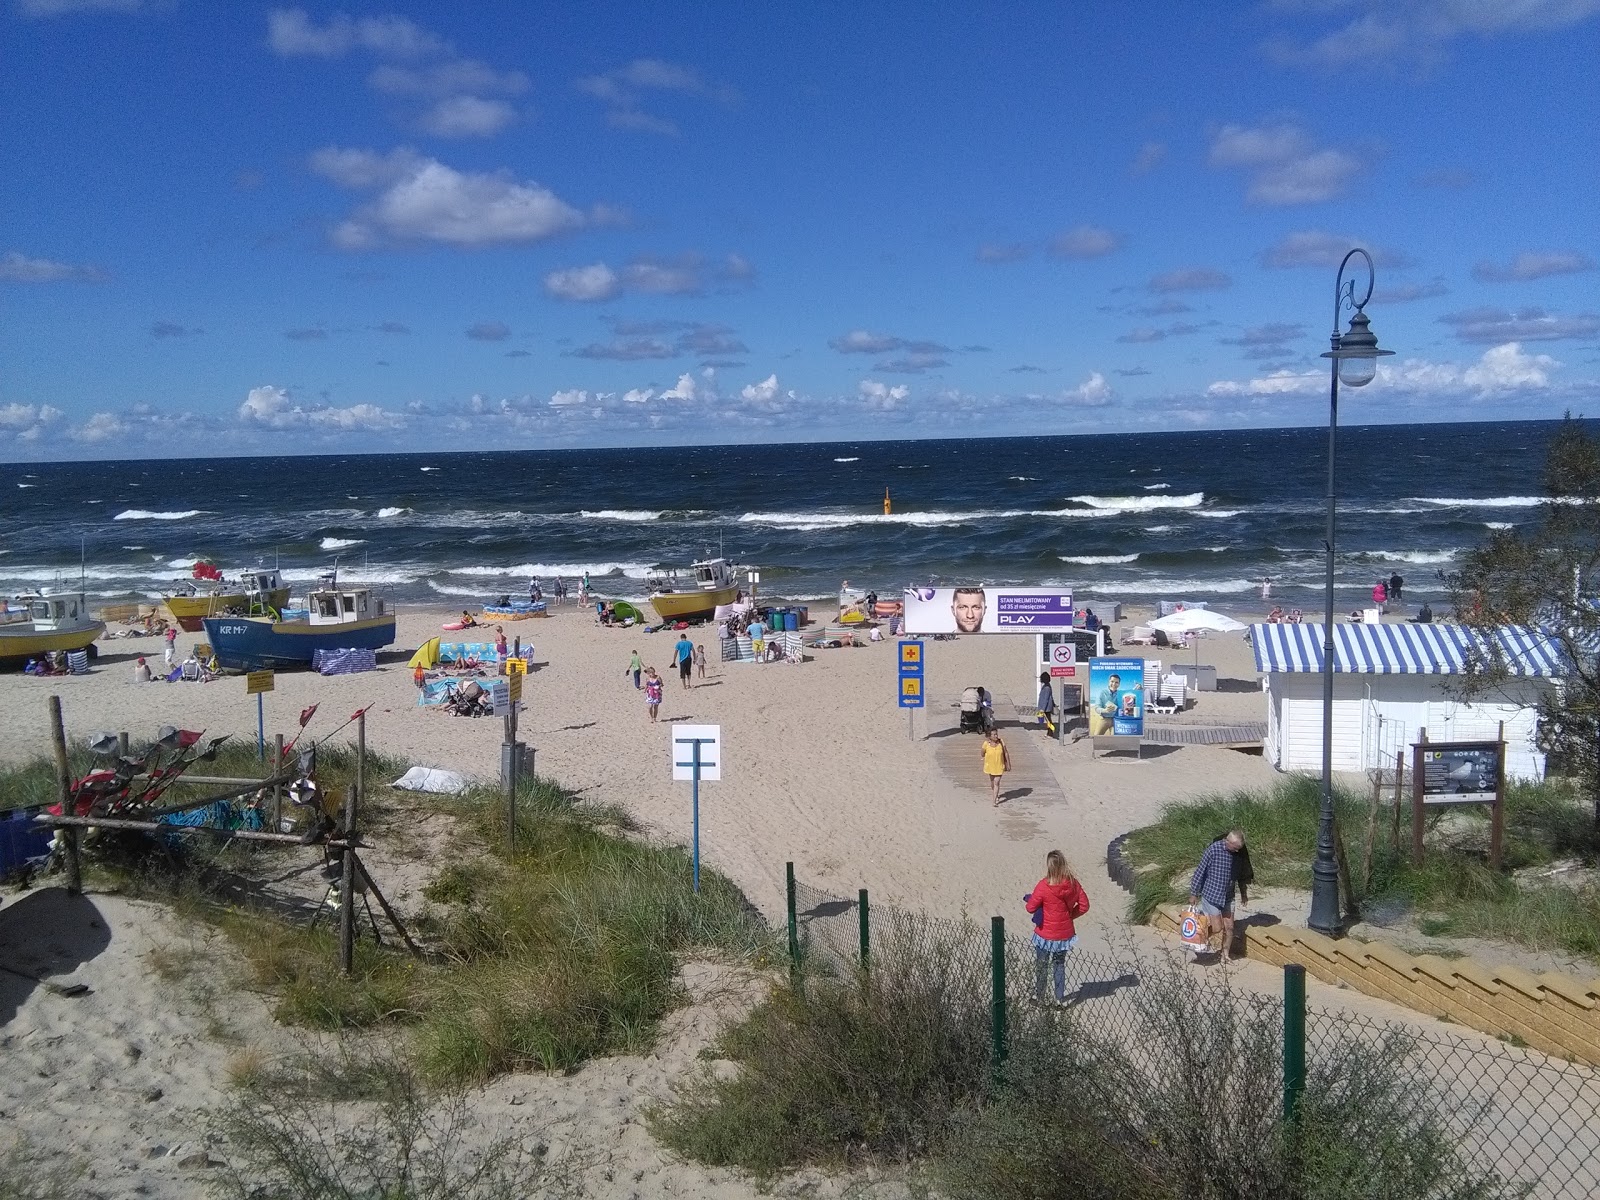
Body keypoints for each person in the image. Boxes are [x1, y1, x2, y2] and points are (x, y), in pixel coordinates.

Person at [1025, 850, 1090, 1004]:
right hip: (1063, 935)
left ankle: (1040, 997)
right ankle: (1059, 999)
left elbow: (1030, 908)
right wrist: (1069, 917)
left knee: (1042, 965)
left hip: (1045, 934)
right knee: (1059, 965)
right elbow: (1084, 906)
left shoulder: (1043, 885)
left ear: (1049, 867)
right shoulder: (1073, 884)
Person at [1188, 830, 1244, 963]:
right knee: (1217, 927)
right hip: (1212, 894)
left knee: (1230, 928)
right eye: (1235, 848)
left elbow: (1242, 874)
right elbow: (1200, 871)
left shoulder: (1237, 854)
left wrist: (1244, 894)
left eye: (1238, 849)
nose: (1236, 851)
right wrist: (1193, 893)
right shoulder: (1213, 850)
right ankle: (1198, 939)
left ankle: (1225, 955)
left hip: (1228, 895)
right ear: (1228, 841)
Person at [980, 726, 1010, 807]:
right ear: (989, 736)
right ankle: (995, 794)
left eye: (996, 734)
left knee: (997, 782)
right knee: (993, 782)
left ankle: (994, 801)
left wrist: (1008, 764)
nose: (996, 736)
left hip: (1000, 765)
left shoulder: (1001, 742)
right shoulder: (986, 744)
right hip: (990, 765)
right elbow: (982, 753)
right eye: (994, 735)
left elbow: (1006, 752)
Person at [1091, 672, 1122, 737]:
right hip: (1104, 718)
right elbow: (1097, 708)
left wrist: (1137, 689)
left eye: (1116, 682)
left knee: (1115, 738)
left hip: (1116, 720)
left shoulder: (1120, 694)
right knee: (1097, 737)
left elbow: (1129, 696)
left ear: (1119, 684)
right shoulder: (1102, 692)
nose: (1114, 684)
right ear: (1109, 682)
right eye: (1112, 681)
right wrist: (1105, 710)